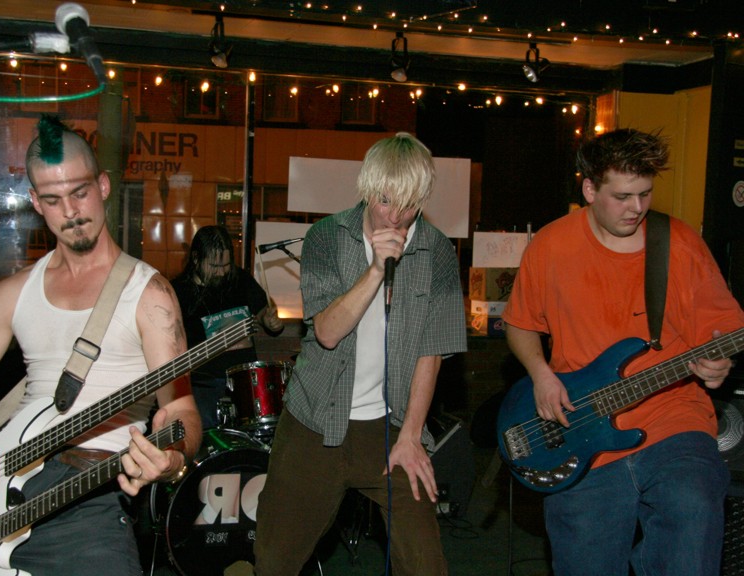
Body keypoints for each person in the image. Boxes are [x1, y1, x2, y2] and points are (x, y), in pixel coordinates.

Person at [0, 115, 201, 576]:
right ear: (35, 203)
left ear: (103, 185)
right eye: (52, 199)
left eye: (80, 192)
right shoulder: (12, 294)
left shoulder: (149, 296)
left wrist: (170, 460)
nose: (70, 211)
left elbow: (182, 412)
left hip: (89, 497)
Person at [502, 128, 744, 575]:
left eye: (645, 194)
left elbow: (722, 329)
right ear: (589, 189)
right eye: (622, 196)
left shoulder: (679, 243)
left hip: (673, 417)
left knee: (693, 509)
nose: (636, 208)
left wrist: (717, 363)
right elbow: (519, 325)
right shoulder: (551, 246)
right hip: (581, 427)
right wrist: (541, 375)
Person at [254, 132, 465, 575]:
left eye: (409, 204)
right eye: (385, 200)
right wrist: (375, 271)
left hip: (390, 426)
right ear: (368, 189)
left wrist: (412, 436)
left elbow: (432, 352)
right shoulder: (326, 237)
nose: (395, 216)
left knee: (426, 565)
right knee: (274, 561)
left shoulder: (437, 252)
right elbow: (328, 332)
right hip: (314, 421)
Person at [171, 225, 283, 430]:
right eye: (215, 266)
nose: (222, 272)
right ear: (196, 259)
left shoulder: (240, 279)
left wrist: (270, 321)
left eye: (226, 265)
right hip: (202, 384)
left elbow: (264, 313)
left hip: (244, 383)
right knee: (205, 437)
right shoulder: (178, 291)